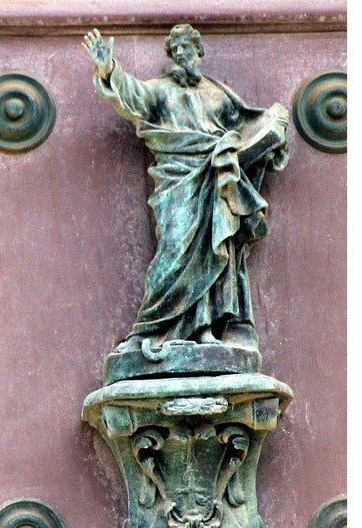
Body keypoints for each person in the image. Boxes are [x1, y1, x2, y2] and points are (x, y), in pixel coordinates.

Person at [83, 24, 289, 355]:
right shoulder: (160, 91)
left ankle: (205, 328)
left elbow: (248, 126)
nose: (181, 54)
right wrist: (109, 68)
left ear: (198, 52)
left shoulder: (219, 93)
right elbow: (131, 95)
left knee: (214, 248)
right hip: (177, 179)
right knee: (175, 248)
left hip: (215, 179)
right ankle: (151, 327)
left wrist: (274, 131)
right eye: (175, 49)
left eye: (186, 48)